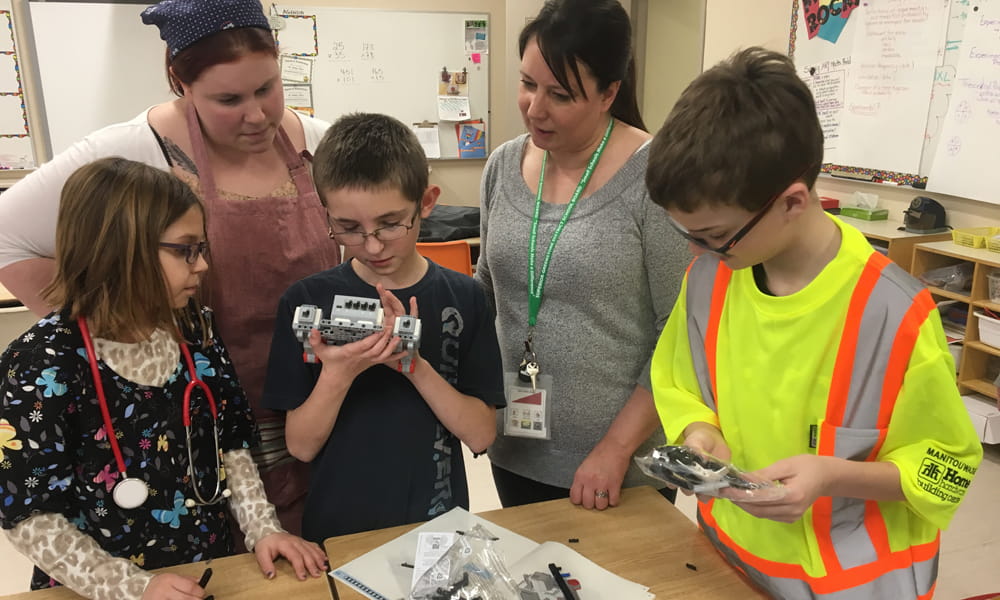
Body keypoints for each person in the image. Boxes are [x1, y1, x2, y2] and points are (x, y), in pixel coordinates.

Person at [645, 47, 983, 599]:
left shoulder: (894, 313)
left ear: (792, 202)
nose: (700, 250)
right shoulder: (710, 280)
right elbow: (678, 382)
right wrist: (700, 434)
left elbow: (948, 469)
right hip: (728, 559)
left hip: (854, 585)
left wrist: (832, 476)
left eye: (715, 236)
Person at [0, 0, 338, 535]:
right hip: (195, 409)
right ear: (179, 82)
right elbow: (6, 236)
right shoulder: (133, 149)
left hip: (315, 400)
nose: (257, 115)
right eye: (228, 99)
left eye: (268, 89)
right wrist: (101, 346)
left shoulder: (319, 143)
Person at [0, 158, 327, 599]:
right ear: (119, 251)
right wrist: (133, 587)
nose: (203, 265)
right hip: (94, 586)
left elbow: (230, 446)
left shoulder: (196, 333)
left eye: (202, 247)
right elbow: (30, 516)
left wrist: (263, 530)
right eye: (186, 249)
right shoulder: (41, 363)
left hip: (206, 569)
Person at [475, 0, 688, 510]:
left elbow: (679, 334)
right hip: (515, 446)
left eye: (560, 94)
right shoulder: (503, 165)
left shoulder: (653, 179)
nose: (535, 108)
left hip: (618, 467)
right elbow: (486, 288)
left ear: (609, 93)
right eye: (527, 84)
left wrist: (616, 449)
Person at [262, 113, 505, 542]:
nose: (372, 246)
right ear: (326, 214)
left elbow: (482, 434)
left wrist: (413, 364)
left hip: (438, 527)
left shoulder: (464, 298)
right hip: (338, 531)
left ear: (426, 202)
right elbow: (300, 447)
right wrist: (338, 372)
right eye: (349, 229)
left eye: (391, 223)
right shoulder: (304, 302)